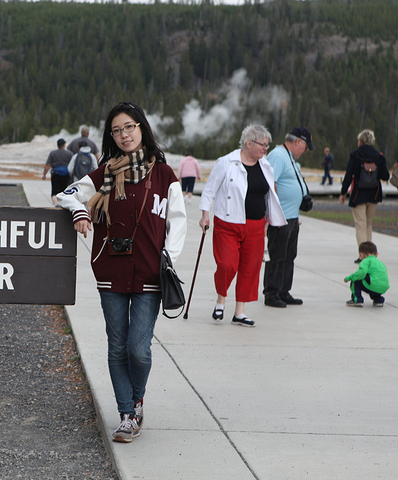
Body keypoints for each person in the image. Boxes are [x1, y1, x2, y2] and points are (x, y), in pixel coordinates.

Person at [56, 102, 186, 443]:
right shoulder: (103, 173)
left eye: (129, 127)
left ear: (141, 128)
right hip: (110, 269)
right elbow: (66, 195)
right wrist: (78, 212)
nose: (124, 135)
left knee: (138, 349)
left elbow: (177, 221)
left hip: (149, 273)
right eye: (116, 130)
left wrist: (167, 259)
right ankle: (127, 414)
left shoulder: (164, 175)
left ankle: (137, 401)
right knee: (117, 347)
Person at [198, 125, 286, 327]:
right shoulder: (226, 162)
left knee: (250, 268)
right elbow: (209, 190)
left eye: (267, 145)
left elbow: (269, 194)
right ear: (249, 143)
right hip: (228, 222)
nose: (265, 149)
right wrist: (205, 216)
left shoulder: (265, 165)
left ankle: (240, 312)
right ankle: (221, 300)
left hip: (256, 225)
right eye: (262, 145)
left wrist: (271, 219)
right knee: (227, 264)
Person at [263, 126, 314, 308]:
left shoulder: (289, 157)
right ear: (298, 142)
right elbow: (271, 183)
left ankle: (283, 291)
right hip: (281, 217)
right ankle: (272, 293)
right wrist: (275, 213)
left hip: (291, 216)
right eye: (306, 148)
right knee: (277, 255)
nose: (305, 152)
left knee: (289, 255)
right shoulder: (278, 155)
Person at [339, 129, 390, 262]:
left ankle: (363, 256)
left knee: (360, 225)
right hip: (374, 194)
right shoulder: (379, 156)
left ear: (360, 141)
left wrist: (343, 193)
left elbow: (348, 176)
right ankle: (370, 255)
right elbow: (385, 176)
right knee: (368, 223)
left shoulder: (355, 155)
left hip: (358, 194)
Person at [344, 241, 389, 307]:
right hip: (383, 287)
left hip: (373, 285)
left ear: (361, 254)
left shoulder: (365, 261)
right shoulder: (381, 263)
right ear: (376, 254)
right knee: (373, 280)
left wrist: (349, 278)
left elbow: (361, 273)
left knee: (355, 280)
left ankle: (357, 300)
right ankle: (378, 300)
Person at [42, 138, 73, 205]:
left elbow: (47, 165)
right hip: (66, 175)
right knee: (64, 192)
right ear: (64, 145)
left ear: (57, 145)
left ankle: (55, 205)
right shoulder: (69, 154)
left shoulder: (52, 153)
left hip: (55, 174)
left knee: (54, 192)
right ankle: (63, 205)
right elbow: (72, 166)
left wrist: (44, 175)